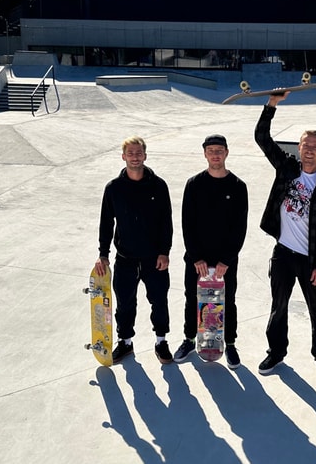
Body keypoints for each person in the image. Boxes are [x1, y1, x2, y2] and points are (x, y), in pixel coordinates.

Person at [254, 92, 316, 381]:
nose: (309, 150)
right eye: (305, 145)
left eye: (315, 147)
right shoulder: (286, 168)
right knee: (278, 306)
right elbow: (262, 137)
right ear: (299, 147)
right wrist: (272, 105)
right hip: (283, 252)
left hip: (311, 258)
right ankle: (276, 352)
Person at [96, 136, 174, 364]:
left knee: (159, 301)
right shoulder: (114, 188)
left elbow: (166, 222)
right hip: (125, 258)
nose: (135, 157)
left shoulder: (158, 186)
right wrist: (103, 254)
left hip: (154, 259)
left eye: (139, 153)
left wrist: (164, 251)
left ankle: (161, 341)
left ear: (145, 155)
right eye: (130, 153)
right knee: (125, 303)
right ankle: (126, 342)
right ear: (123, 157)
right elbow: (106, 223)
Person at [173, 135, 249, 369]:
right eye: (210, 150)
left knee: (228, 300)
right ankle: (189, 338)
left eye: (219, 150)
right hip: (198, 259)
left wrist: (227, 259)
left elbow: (239, 226)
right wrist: (196, 256)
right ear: (204, 153)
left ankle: (230, 343)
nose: (215, 154)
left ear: (226, 152)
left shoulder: (238, 186)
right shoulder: (194, 184)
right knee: (192, 298)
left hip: (226, 260)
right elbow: (187, 222)